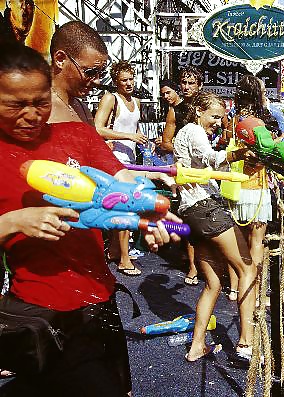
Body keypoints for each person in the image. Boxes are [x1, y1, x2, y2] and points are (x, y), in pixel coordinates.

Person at [0, 42, 179, 396]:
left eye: (40, 101)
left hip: (99, 298)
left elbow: (119, 182)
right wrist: (16, 221)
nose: (32, 114)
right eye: (16, 104)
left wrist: (153, 209)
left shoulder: (77, 134)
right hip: (40, 310)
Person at [172, 91, 258, 362]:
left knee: (213, 283)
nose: (218, 122)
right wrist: (240, 153)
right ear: (198, 110)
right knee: (247, 268)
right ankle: (246, 343)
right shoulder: (193, 130)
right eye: (215, 116)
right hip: (206, 208)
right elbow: (210, 158)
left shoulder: (186, 133)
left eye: (221, 118)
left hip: (192, 212)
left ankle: (197, 345)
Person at [94, 60, 146, 276]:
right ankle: (124, 260)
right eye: (124, 80)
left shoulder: (137, 101)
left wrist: (142, 140)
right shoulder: (110, 98)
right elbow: (97, 128)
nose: (129, 83)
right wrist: (128, 135)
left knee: (122, 208)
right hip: (114, 160)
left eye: (131, 79)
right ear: (115, 81)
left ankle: (116, 251)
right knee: (126, 209)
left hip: (130, 159)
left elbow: (134, 128)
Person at [228, 75, 276, 301]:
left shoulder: (234, 118)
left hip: (234, 185)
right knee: (256, 242)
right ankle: (253, 290)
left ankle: (234, 287)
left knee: (237, 240)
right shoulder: (260, 122)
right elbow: (264, 155)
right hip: (257, 187)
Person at [160, 66, 202, 152]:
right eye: (184, 82)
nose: (186, 87)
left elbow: (226, 130)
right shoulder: (174, 111)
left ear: (200, 85)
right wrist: (186, 152)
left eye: (191, 83)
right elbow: (165, 144)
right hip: (186, 161)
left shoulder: (209, 106)